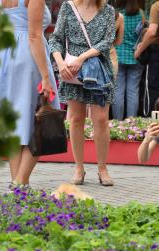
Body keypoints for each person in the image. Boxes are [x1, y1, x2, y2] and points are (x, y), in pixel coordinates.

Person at [0, 0, 60, 189]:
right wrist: (46, 76)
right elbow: (34, 35)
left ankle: (18, 186)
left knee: (16, 125)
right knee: (40, 122)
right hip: (29, 57)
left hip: (6, 56)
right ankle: (20, 184)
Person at [49, 0, 115, 186]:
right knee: (76, 119)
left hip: (98, 70)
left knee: (101, 119)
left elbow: (107, 41)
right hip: (72, 72)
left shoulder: (108, 10)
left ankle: (102, 168)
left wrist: (82, 58)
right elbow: (55, 39)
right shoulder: (68, 8)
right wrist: (60, 64)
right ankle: (79, 167)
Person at [112, 0, 144, 120]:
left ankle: (117, 123)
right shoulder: (141, 13)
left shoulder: (118, 14)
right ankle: (132, 123)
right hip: (136, 56)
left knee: (118, 91)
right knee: (133, 91)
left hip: (119, 55)